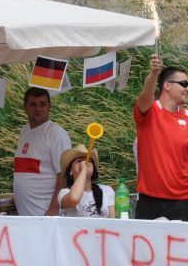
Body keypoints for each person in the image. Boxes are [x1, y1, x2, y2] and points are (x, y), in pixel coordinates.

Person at [134, 55, 188, 221]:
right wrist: (153, 74)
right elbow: (144, 97)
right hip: (150, 200)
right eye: (184, 84)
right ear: (167, 85)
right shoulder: (150, 110)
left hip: (184, 202)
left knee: (186, 248)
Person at [13, 87, 72, 216]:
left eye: (43, 104)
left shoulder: (56, 134)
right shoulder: (24, 131)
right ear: (25, 107)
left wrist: (53, 209)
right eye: (33, 104)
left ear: (49, 106)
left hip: (46, 215)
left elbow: (63, 175)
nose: (38, 109)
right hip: (27, 216)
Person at [57, 145, 115, 218]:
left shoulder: (107, 190)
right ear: (70, 171)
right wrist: (83, 170)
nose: (85, 162)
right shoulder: (64, 192)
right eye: (79, 161)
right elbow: (74, 198)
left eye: (89, 161)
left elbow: (113, 219)